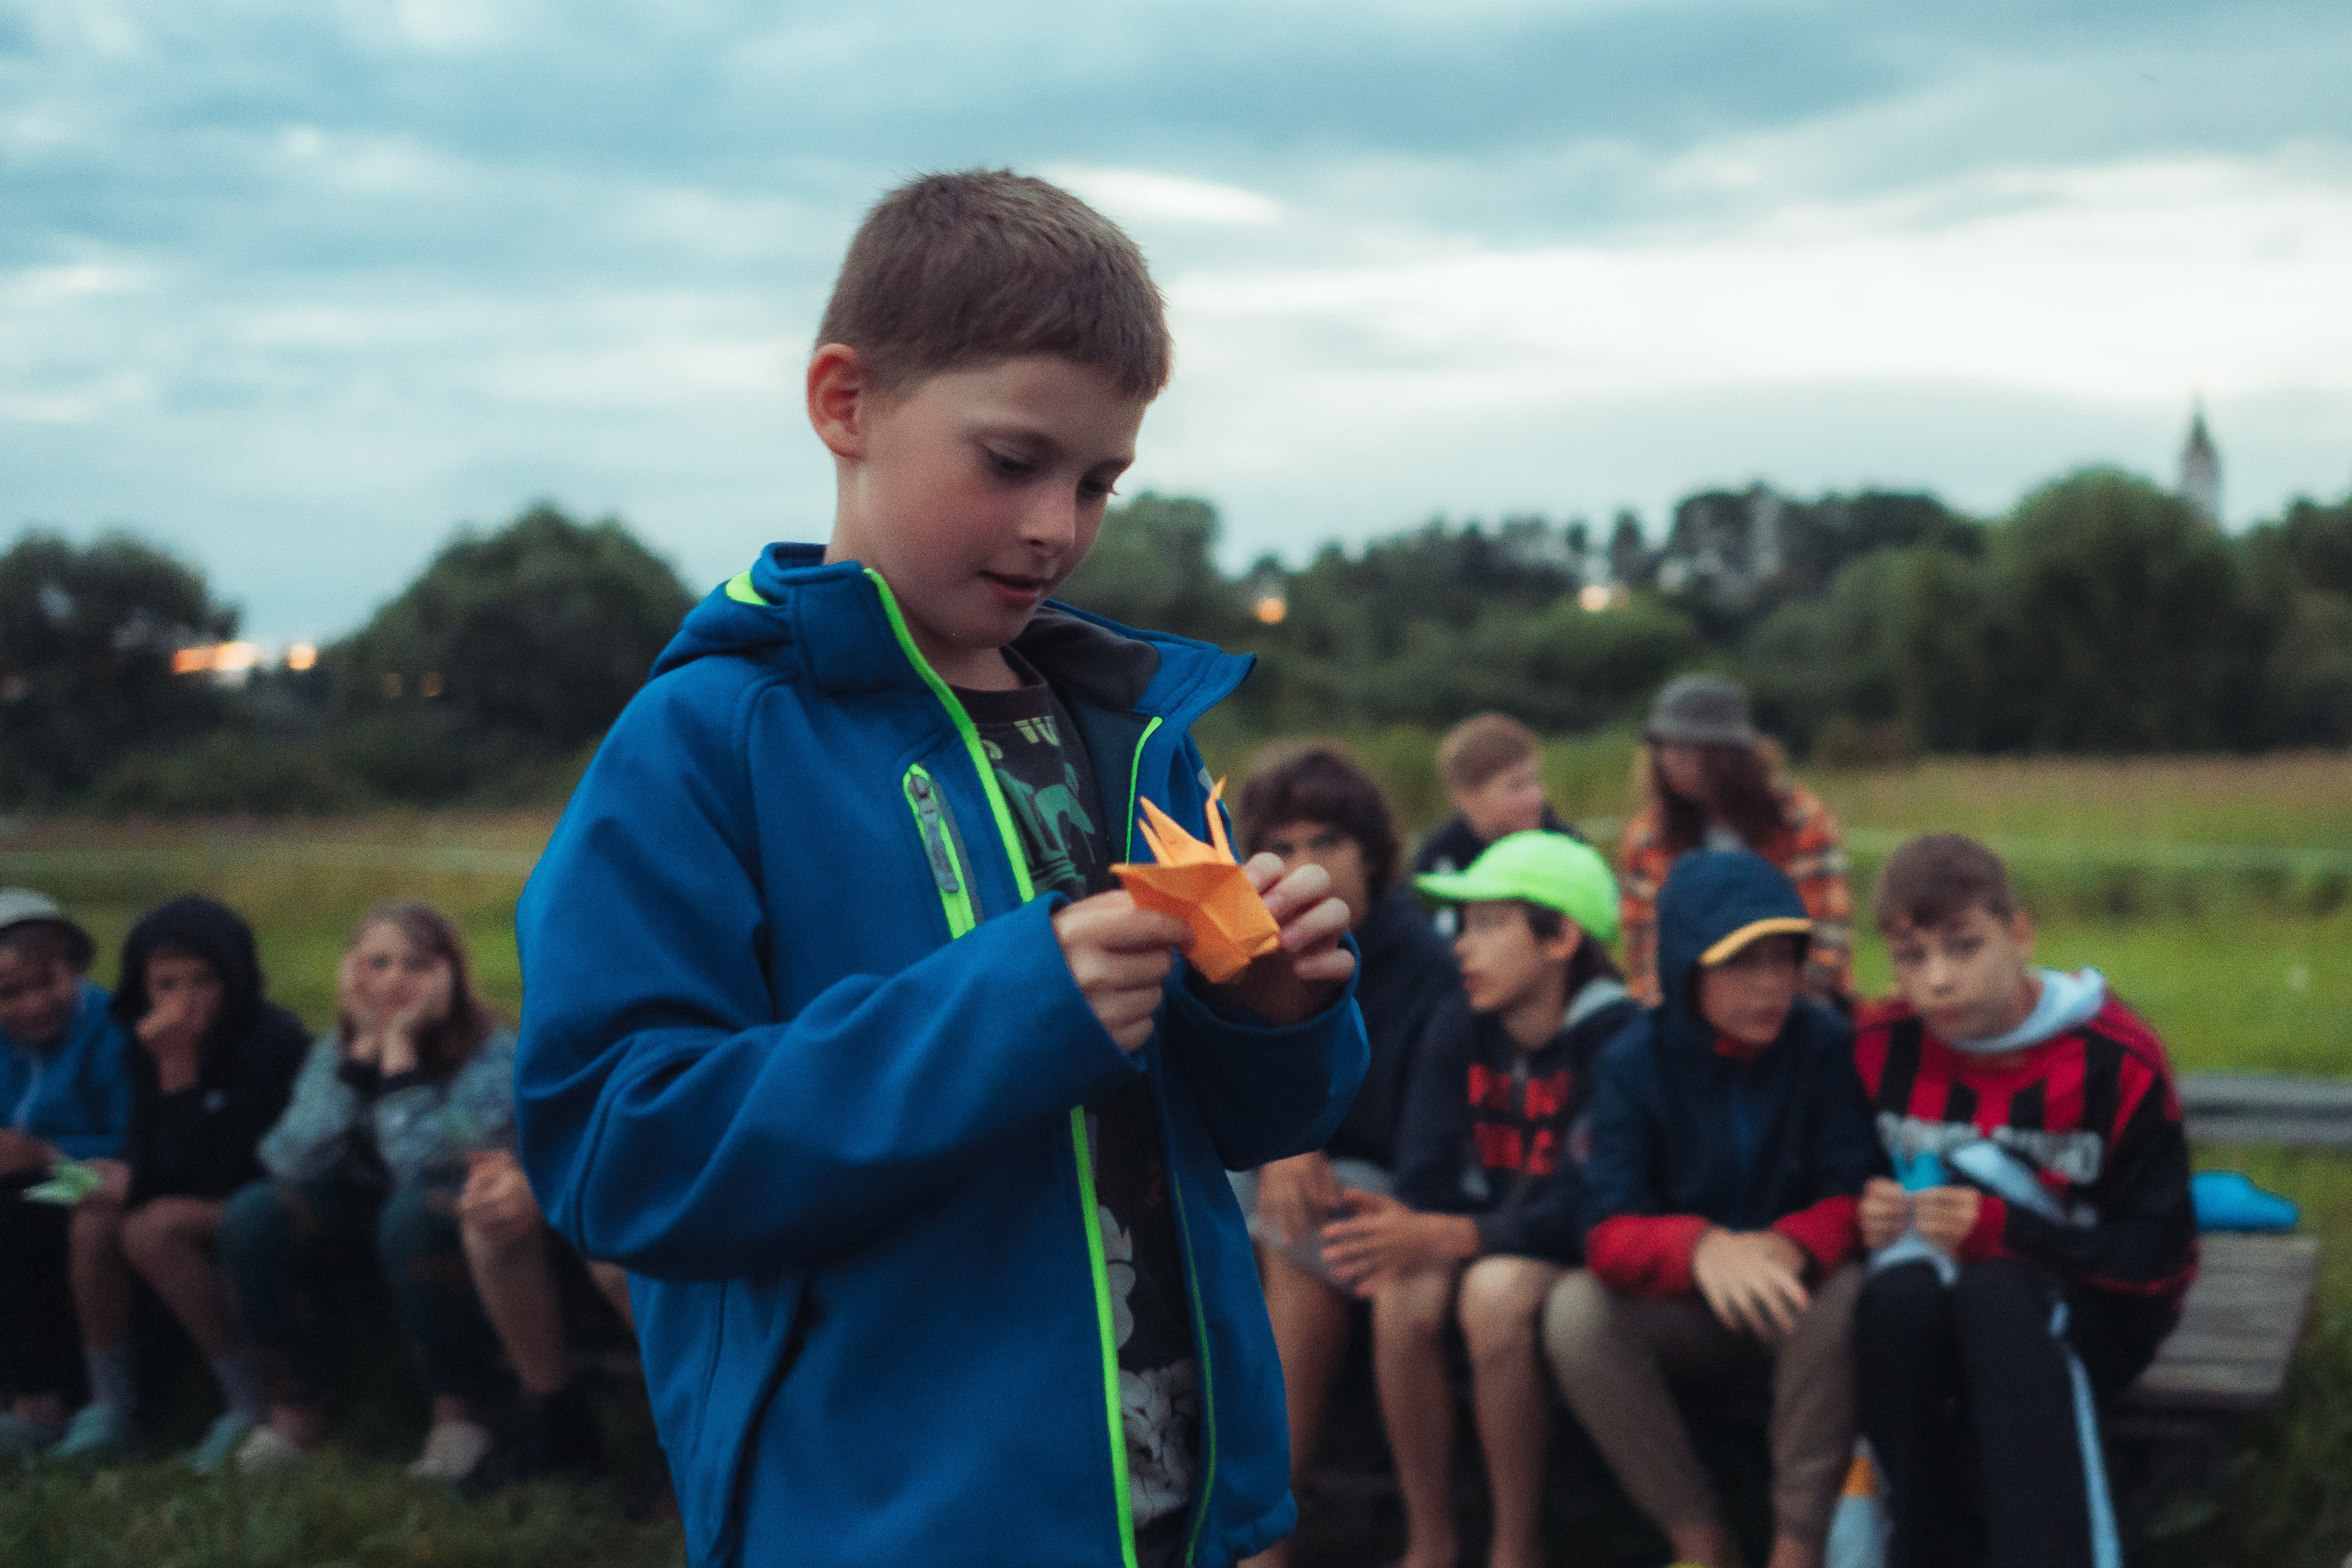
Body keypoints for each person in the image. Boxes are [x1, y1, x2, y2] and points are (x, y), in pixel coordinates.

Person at [512, 169, 1368, 1568]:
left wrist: (1274, 1010)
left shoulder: (1125, 733)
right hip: (882, 1514)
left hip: (1172, 1507)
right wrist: (1015, 1005)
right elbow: (617, 1144)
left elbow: (1231, 1115)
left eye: (1099, 481)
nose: (1057, 526)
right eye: (1014, 461)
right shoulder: (706, 737)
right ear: (846, 405)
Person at [1850, 834, 2196, 1568]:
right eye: (1912, 956)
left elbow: (2161, 1263)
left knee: (1999, 1294)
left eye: (1964, 945)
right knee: (1897, 1300)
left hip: (2090, 1310)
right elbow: (1828, 1184)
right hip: (1932, 1304)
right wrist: (1862, 1212)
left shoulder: (2117, 1056)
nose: (1938, 979)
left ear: (2021, 933)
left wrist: (2011, 1233)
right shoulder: (1876, 1045)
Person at [1543, 850, 1878, 1568]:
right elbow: (1605, 1224)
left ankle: (1798, 1546)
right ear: (1688, 965)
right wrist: (1700, 1247)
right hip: (1693, 1306)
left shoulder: (1823, 1046)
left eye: (1785, 958)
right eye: (1742, 962)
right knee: (1575, 1312)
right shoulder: (1635, 1061)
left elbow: (1854, 1190)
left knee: (1846, 1290)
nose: (1771, 984)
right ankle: (1699, 1539)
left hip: (1800, 1308)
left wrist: (1789, 1245)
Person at [1321, 833, 1635, 1568]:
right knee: (1400, 1288)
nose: (1463, 945)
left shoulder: (1619, 1040)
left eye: (1490, 924)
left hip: (1571, 1256)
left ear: (1560, 936)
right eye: (1462, 924)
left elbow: (1596, 1208)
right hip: (1487, 1231)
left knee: (1493, 1294)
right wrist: (1424, 1230)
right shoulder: (1458, 1023)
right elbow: (1424, 1172)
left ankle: (1515, 1545)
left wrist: (1459, 1234)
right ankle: (1430, 1540)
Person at [219, 902, 614, 1483]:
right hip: (362, 1210)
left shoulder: (493, 1054)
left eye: (416, 965)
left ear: (449, 974)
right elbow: (288, 1159)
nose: (396, 979)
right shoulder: (336, 1050)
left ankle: (458, 1417)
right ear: (352, 973)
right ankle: (292, 1411)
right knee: (253, 1212)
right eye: (378, 963)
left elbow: (423, 1165)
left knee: (408, 1215)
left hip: (458, 1215)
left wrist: (400, 1051)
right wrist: (357, 1063)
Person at [1227, 743, 1458, 1565]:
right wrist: (1285, 1134)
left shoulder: (1424, 965)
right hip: (1271, 1166)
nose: (1303, 865)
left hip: (1383, 1179)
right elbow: (1220, 1084)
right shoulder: (1249, 942)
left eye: (1326, 842)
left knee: (1294, 1236)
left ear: (1372, 852)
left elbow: (1413, 1132)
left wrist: (1298, 1135)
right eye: (1281, 847)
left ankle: (1263, 1535)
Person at [98, 896, 309, 1471]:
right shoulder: (145, 1044)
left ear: (234, 978)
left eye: (203, 981)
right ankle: (103, 1402)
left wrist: (181, 1073)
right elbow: (155, 1157)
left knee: (152, 1230)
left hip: (272, 1199)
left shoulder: (272, 1040)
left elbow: (230, 1169)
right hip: (206, 1199)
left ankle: (250, 1399)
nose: (184, 1001)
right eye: (167, 984)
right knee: (94, 1215)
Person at [1617, 675, 1852, 1009]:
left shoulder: (1800, 821)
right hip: (1687, 1020)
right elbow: (1644, 956)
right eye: (1662, 746)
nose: (1669, 760)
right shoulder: (1647, 837)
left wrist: (1761, 1009)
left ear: (1727, 755)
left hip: (1796, 1010)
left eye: (1684, 747)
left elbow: (1827, 943)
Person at [0, 890, 132, 1458]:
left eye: (46, 983)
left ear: (74, 967)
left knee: (18, 1217)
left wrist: (48, 1154)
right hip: (23, 1175)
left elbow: (132, 1140)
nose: (32, 1005)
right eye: (10, 994)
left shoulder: (110, 1030)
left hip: (91, 1176)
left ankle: (40, 1403)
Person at [1410, 714, 1579, 938]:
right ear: (1466, 797)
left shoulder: (1564, 844)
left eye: (1535, 780)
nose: (1536, 796)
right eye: (1516, 786)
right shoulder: (1439, 863)